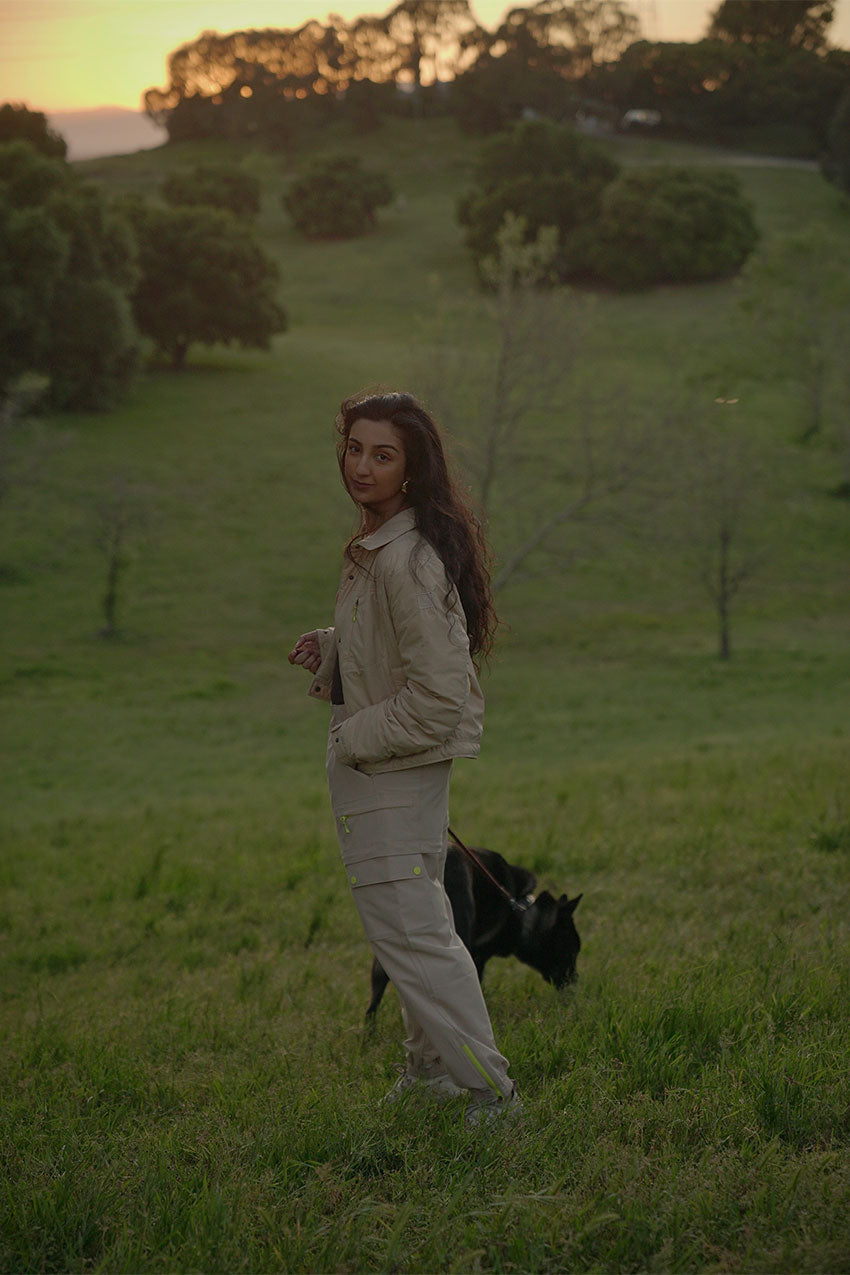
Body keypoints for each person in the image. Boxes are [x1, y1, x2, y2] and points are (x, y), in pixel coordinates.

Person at [288, 390, 520, 1127]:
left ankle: (488, 1092)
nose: (361, 465)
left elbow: (439, 694)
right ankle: (430, 1075)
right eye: (354, 448)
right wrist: (331, 648)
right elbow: (395, 650)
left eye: (382, 453)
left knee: (413, 935)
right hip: (391, 773)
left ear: (412, 467)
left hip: (389, 771)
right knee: (415, 927)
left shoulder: (405, 560)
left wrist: (351, 736)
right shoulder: (383, 547)